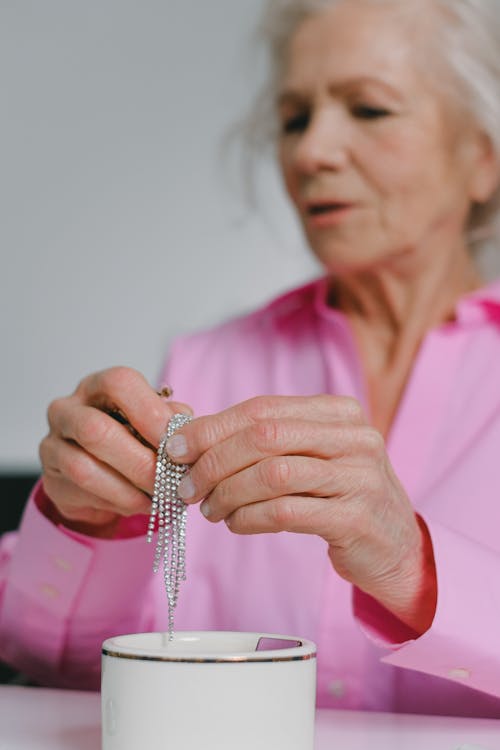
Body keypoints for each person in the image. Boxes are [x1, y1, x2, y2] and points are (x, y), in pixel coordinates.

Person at [2, 0, 500, 717]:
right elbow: (47, 670)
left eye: (368, 109)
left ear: (482, 157)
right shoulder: (203, 365)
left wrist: (411, 566)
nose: (311, 152)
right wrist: (84, 522)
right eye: (295, 118)